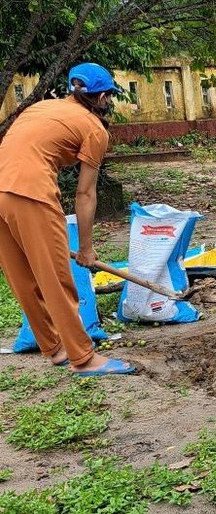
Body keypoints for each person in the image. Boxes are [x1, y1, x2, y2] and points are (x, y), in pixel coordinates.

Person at [0, 63, 135, 376]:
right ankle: (84, 358)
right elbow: (85, 194)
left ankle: (55, 348)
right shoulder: (94, 129)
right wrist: (86, 248)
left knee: (23, 279)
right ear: (101, 96)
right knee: (56, 278)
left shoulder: (42, 107)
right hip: (30, 192)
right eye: (107, 97)